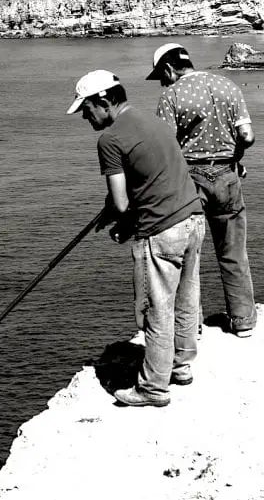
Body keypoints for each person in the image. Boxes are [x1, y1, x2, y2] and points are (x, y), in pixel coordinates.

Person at [67, 69, 205, 407]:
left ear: (104, 101)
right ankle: (181, 365)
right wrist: (117, 215)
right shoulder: (153, 121)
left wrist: (121, 223)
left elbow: (121, 202)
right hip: (193, 219)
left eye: (87, 109)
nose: (85, 116)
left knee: (156, 308)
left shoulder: (110, 140)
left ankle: (153, 389)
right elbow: (150, 176)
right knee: (187, 297)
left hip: (161, 230)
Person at [146, 44, 257, 337]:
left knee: (187, 255)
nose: (161, 82)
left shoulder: (171, 95)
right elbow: (247, 135)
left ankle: (190, 327)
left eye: (160, 75)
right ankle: (243, 320)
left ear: (169, 69)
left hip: (190, 179)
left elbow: (166, 148)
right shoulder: (228, 85)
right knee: (233, 251)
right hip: (227, 176)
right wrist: (236, 158)